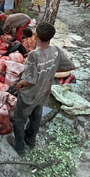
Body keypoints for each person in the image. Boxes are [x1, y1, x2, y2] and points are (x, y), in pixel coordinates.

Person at [7, 22, 75, 155]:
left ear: (36, 35)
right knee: (36, 117)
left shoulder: (34, 55)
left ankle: (19, 146)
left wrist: (20, 84)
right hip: (44, 91)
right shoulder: (56, 51)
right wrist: (51, 70)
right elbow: (70, 66)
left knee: (20, 119)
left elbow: (31, 81)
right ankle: (31, 140)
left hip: (29, 94)